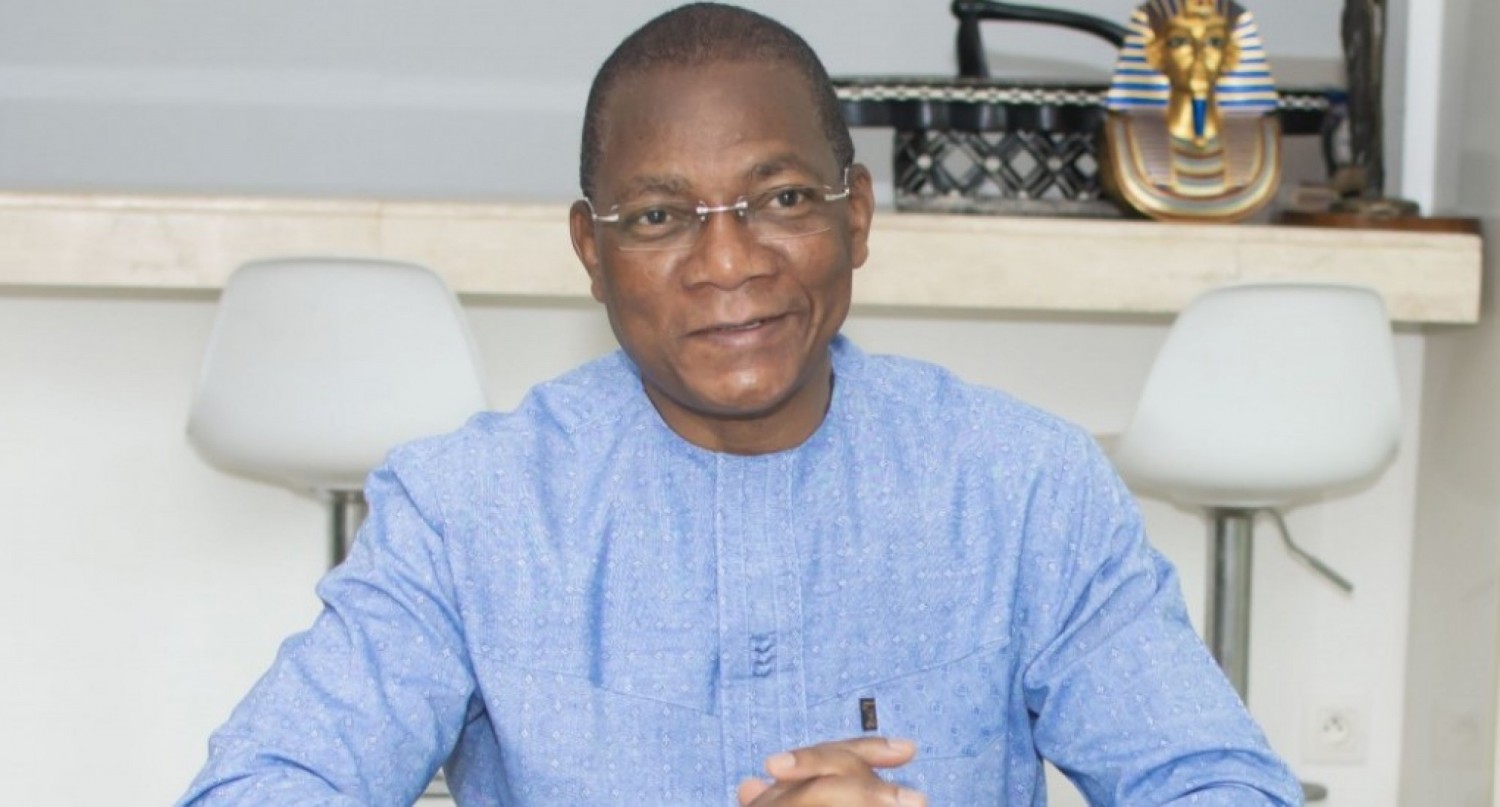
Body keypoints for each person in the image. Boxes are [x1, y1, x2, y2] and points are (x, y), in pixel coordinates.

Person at [179, 3, 1302, 804]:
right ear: (592, 252)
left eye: (781, 198)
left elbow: (1217, 783)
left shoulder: (1022, 486)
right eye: (659, 217)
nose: (729, 263)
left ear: (856, 217)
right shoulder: (469, 510)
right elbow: (267, 785)